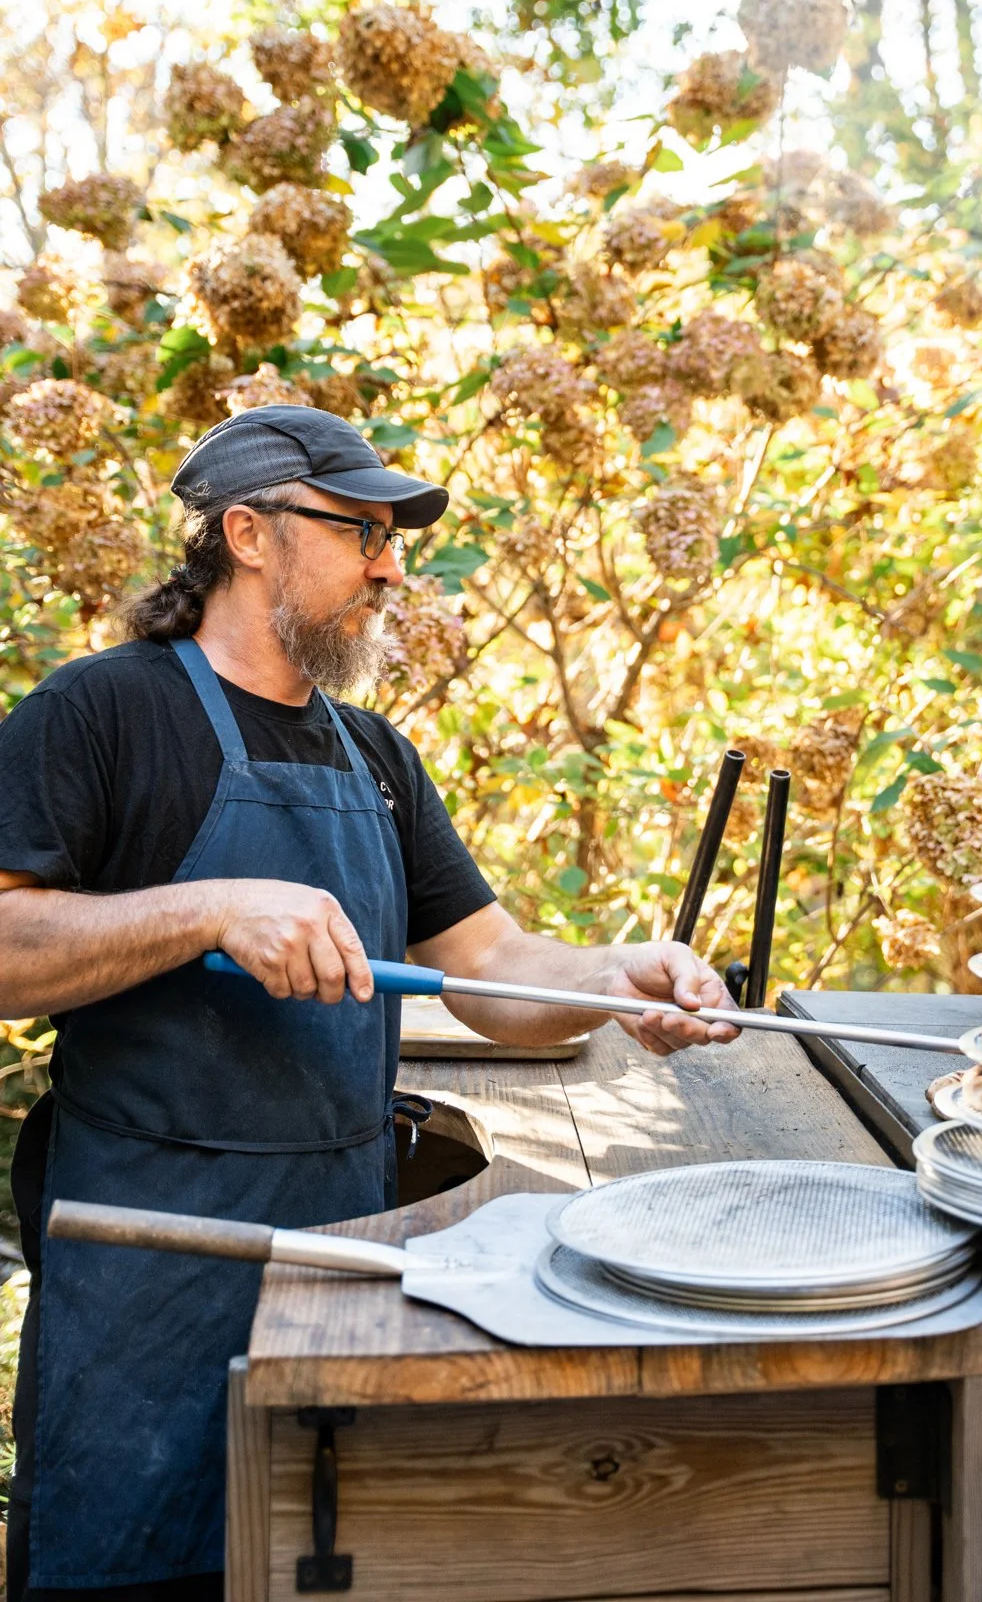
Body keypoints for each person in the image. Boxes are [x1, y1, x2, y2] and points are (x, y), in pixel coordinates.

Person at [0, 404, 738, 1601]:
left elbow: (498, 970)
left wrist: (614, 975)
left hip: (340, 1261)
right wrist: (207, 908)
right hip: (151, 1267)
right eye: (360, 532)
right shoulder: (102, 713)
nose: (394, 567)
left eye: (395, 538)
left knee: (313, 1562)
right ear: (247, 532)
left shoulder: (377, 758)